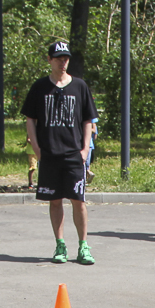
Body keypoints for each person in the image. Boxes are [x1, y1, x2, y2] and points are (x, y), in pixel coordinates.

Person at [23, 41, 98, 265]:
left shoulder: (79, 86)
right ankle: (60, 244)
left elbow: (88, 120)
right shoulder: (39, 87)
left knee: (78, 201)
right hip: (49, 155)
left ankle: (83, 246)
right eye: (58, 58)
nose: (63, 62)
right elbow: (30, 119)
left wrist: (85, 149)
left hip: (74, 154)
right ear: (49, 60)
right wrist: (36, 148)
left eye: (65, 58)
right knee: (55, 201)